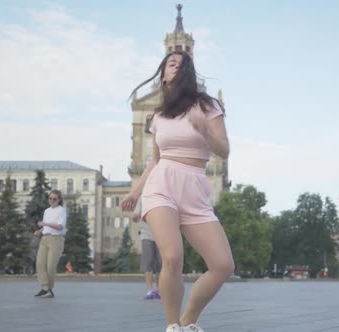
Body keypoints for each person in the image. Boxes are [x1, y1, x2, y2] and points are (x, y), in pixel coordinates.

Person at [121, 50, 235, 332]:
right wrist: (136, 192)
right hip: (162, 186)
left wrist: (204, 131)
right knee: (172, 257)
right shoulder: (158, 116)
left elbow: (224, 150)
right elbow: (157, 160)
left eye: (183, 65)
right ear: (163, 74)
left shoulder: (207, 105)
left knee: (223, 265)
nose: (176, 67)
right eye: (171, 63)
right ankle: (172, 325)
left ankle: (188, 321)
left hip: (195, 188)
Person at [33, 190, 66, 298]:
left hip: (56, 240)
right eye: (50, 198)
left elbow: (60, 226)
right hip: (45, 238)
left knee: (50, 267)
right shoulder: (47, 211)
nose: (52, 201)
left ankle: (49, 289)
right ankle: (45, 288)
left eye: (54, 199)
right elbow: (46, 226)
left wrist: (46, 224)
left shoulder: (61, 210)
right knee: (40, 264)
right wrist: (40, 230)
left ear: (59, 200)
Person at [133, 202, 162, 300]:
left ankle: (159, 290)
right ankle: (150, 290)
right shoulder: (143, 197)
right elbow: (135, 215)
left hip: (162, 233)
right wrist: (135, 216)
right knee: (148, 261)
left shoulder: (163, 194)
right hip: (146, 234)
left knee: (160, 262)